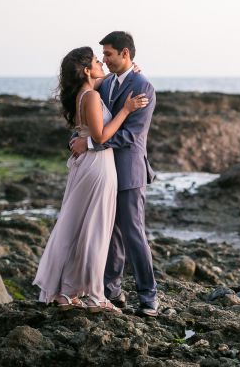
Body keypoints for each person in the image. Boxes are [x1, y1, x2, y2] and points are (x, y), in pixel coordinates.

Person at [33, 46, 149, 312]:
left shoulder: (83, 94)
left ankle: (66, 292)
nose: (103, 64)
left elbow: (109, 80)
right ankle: (96, 295)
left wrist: (132, 71)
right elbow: (101, 137)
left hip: (89, 166)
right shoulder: (92, 98)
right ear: (87, 70)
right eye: (98, 61)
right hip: (98, 166)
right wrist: (126, 110)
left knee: (80, 228)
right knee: (96, 231)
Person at [69, 31, 159, 317]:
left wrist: (91, 144)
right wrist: (76, 138)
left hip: (129, 171)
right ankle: (112, 291)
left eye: (108, 54)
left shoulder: (143, 86)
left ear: (125, 54)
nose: (104, 60)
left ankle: (149, 298)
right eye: (102, 56)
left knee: (133, 234)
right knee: (111, 234)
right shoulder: (105, 83)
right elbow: (89, 116)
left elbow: (132, 136)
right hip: (104, 171)